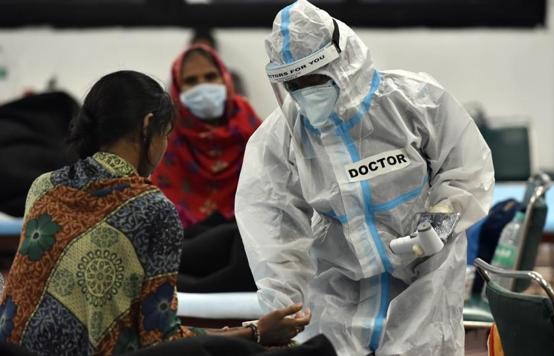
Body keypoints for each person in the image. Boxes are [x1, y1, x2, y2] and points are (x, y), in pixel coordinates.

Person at [235, 1, 494, 355]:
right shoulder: (282, 136)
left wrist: (439, 225)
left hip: (425, 273)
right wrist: (285, 304)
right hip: (342, 283)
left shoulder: (414, 101)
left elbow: (466, 171)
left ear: (342, 63)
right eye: (294, 83)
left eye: (314, 78)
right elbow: (272, 220)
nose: (305, 91)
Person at [0, 70, 310, 354]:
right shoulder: (151, 206)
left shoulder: (44, 186)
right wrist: (255, 332)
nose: (164, 147)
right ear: (148, 125)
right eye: (165, 134)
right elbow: (161, 339)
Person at [151, 45, 261, 293]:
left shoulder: (252, 128)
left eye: (210, 77)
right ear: (178, 90)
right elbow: (161, 221)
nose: (203, 86)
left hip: (249, 245)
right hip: (185, 248)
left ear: (225, 78)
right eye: (191, 81)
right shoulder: (166, 138)